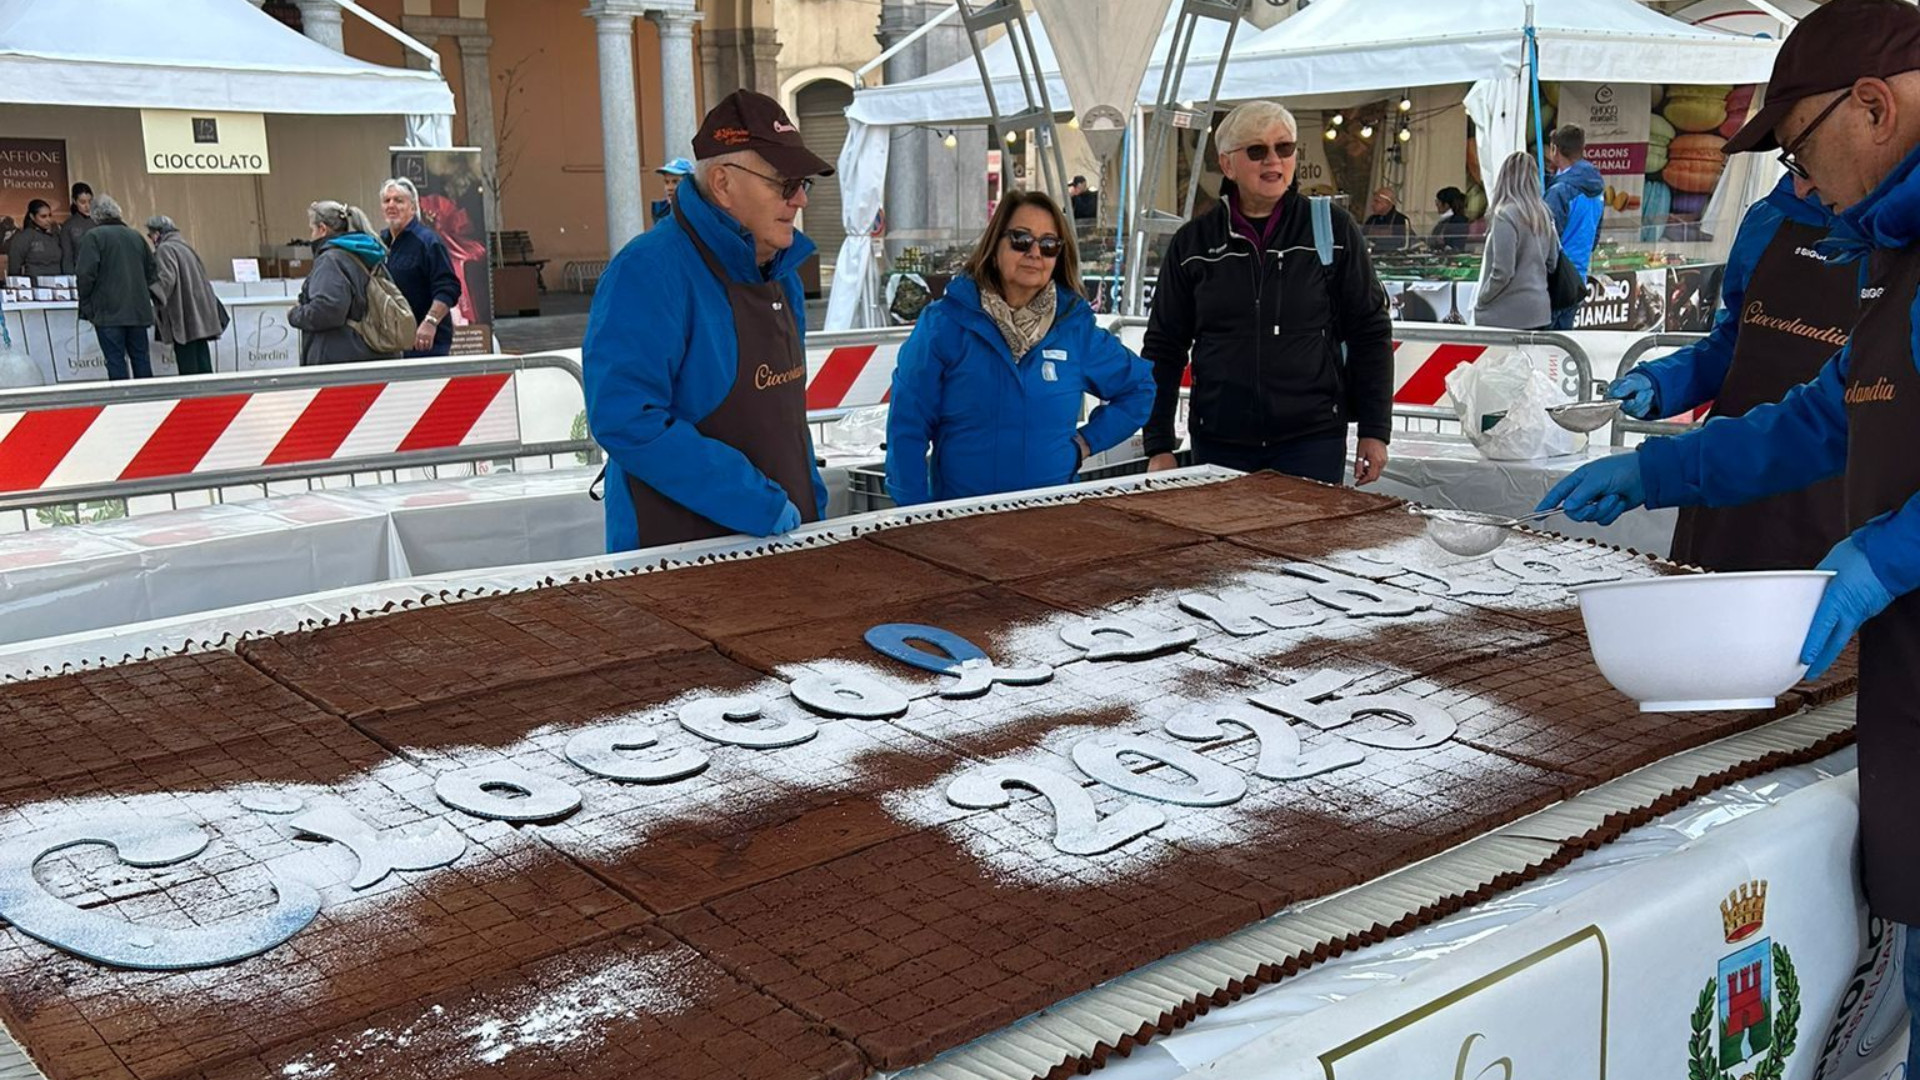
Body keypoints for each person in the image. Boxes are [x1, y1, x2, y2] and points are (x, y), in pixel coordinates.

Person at [1537, 11, 1920, 1072]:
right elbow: (1823, 416)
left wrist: (1882, 559)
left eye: (1799, 150)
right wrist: (1660, 468)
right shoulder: (1892, 247)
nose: (1802, 183)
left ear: (1873, 107)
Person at [583, 89, 834, 552]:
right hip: (678, 553)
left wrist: (810, 499)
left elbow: (788, 417)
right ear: (723, 183)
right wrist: (755, 502)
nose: (800, 199)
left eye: (804, 183)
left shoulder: (782, 273)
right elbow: (626, 418)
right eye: (785, 183)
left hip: (786, 540)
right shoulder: (647, 271)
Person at [1605, 172, 1857, 571]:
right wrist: (1661, 382)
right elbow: (1733, 340)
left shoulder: (1896, 240)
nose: (1801, 184)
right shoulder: (1768, 217)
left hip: (1830, 489)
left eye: (1805, 153)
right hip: (1725, 471)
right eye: (1791, 162)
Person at [1140, 99, 1394, 486]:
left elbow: (1369, 331)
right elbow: (1164, 346)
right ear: (1227, 164)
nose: (1273, 160)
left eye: (1284, 147)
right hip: (1220, 441)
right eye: (1257, 150)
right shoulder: (1193, 243)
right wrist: (1158, 444)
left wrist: (1374, 431)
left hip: (1312, 441)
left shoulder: (1334, 230)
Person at [885, 191, 1154, 505]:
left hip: (1051, 517)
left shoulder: (1075, 330)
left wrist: (1086, 443)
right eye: (1021, 239)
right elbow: (907, 426)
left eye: (1049, 244)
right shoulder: (944, 326)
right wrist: (915, 515)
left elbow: (1140, 389)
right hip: (964, 521)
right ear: (994, 246)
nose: (1035, 252)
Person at [289, 201, 394, 366]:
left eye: (312, 229)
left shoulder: (331, 260)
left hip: (339, 360)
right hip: (376, 353)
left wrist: (295, 314)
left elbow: (328, 310)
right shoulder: (369, 255)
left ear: (322, 229)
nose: (311, 236)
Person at [1473, 151, 1560, 330]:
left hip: (1505, 313)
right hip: (1539, 310)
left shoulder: (1505, 215)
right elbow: (1553, 262)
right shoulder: (1544, 214)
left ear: (1504, 178)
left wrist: (1482, 298)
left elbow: (1503, 272)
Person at [73, 195, 157, 381]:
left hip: (108, 311)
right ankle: (148, 397)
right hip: (137, 310)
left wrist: (86, 303)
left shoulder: (94, 237)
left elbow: (85, 274)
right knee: (141, 359)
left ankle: (122, 398)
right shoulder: (136, 236)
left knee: (115, 361)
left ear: (95, 215)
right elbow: (152, 272)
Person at [377, 177, 462, 357]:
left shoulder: (428, 242)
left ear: (413, 207)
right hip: (391, 343)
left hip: (424, 343)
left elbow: (448, 288)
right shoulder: (380, 242)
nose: (391, 205)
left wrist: (430, 321)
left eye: (399, 200)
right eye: (386, 200)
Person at [146, 215, 229, 377]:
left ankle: (194, 393)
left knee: (188, 364)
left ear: (157, 233)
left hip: (183, 314)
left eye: (150, 235)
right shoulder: (185, 246)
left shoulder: (165, 249)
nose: (151, 239)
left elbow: (166, 281)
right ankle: (209, 392)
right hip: (200, 312)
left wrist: (150, 290)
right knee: (202, 360)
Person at [1544, 124, 1605, 329]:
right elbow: (1594, 238)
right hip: (1578, 280)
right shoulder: (1598, 190)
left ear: (1555, 149)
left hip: (1555, 281)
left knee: (1543, 344)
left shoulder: (1560, 191)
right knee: (1563, 343)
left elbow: (1546, 239)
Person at [7, 199, 61, 281]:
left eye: (50, 216)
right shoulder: (24, 237)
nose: (48, 220)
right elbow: (14, 267)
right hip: (35, 285)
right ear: (32, 216)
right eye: (43, 216)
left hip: (58, 284)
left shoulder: (55, 236)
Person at [59, 181, 95, 275]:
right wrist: (70, 278)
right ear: (74, 201)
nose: (87, 206)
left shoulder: (99, 222)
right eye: (82, 202)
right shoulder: (68, 225)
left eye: (90, 201)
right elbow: (67, 257)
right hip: (80, 274)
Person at [1360, 187, 1411, 252]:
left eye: (1377, 201)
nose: (1372, 204)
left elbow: (1404, 246)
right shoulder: (1372, 219)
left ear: (1387, 203)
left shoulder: (1401, 220)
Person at [653, 158, 694, 225]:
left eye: (675, 182)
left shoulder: (701, 213)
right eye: (666, 182)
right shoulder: (661, 213)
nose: (669, 188)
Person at [1430, 186, 1472, 251]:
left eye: (1438, 202)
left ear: (1446, 205)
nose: (1437, 205)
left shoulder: (1458, 221)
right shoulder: (1445, 221)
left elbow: (1455, 245)